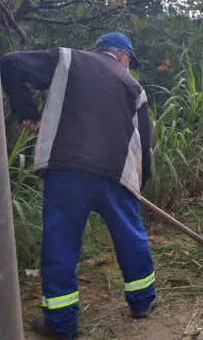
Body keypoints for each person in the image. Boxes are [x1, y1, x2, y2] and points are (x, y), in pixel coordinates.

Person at [0, 32, 156, 339]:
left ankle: (61, 323)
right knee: (131, 236)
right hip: (116, 174)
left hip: (67, 169)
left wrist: (27, 112)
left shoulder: (67, 60)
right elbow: (145, 145)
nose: (129, 68)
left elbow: (9, 64)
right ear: (123, 57)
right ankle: (142, 301)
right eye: (130, 62)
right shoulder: (133, 87)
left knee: (60, 243)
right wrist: (141, 183)